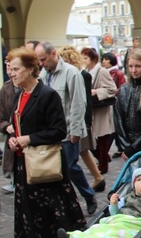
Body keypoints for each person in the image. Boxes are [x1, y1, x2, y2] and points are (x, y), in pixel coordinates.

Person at [7, 47, 86, 238]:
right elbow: (18, 125)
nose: (12, 73)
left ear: (32, 69)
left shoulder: (47, 94)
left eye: (16, 69)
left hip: (45, 161)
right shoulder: (20, 94)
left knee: (58, 205)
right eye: (10, 69)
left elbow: (58, 130)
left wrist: (27, 139)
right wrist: (14, 139)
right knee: (28, 209)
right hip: (25, 162)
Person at [35, 41, 97, 215]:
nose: (41, 63)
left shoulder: (71, 73)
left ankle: (88, 195)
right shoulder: (43, 74)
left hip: (69, 129)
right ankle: (64, 204)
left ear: (53, 54)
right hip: (50, 131)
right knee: (55, 170)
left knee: (70, 167)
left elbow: (78, 102)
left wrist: (76, 130)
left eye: (43, 59)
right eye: (39, 60)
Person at [58, 167, 141, 238]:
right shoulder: (128, 197)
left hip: (135, 223)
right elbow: (114, 214)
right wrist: (114, 204)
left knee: (115, 234)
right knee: (98, 228)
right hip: (120, 220)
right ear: (133, 185)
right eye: (139, 180)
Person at [59, 46, 105, 193]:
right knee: (83, 151)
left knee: (82, 151)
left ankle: (98, 178)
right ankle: (98, 178)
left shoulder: (81, 74)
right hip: (75, 121)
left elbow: (84, 100)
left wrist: (85, 122)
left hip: (81, 121)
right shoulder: (68, 74)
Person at [81, 47, 118, 175]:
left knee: (102, 137)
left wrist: (96, 91)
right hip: (91, 108)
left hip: (101, 108)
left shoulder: (101, 71)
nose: (84, 61)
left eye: (86, 58)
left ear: (93, 59)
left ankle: (103, 164)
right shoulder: (85, 71)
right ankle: (103, 158)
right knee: (89, 137)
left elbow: (112, 89)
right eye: (83, 58)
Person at [0, 58, 19, 194]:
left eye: (13, 68)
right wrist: (7, 127)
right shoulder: (5, 89)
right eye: (8, 67)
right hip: (13, 139)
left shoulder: (35, 87)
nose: (10, 72)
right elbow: (0, 120)